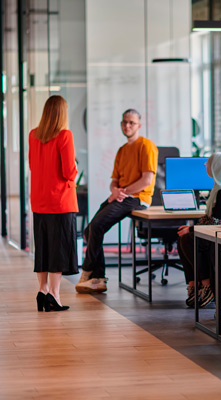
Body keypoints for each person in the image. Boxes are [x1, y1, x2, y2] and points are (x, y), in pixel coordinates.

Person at [75, 109, 158, 294]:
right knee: (90, 229)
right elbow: (114, 180)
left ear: (139, 125)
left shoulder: (146, 146)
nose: (127, 125)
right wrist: (115, 191)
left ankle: (89, 272)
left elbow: (147, 180)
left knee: (96, 227)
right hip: (123, 196)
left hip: (137, 198)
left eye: (131, 123)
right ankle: (99, 278)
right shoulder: (122, 150)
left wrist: (123, 192)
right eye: (124, 122)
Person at [28, 95, 78, 312]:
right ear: (62, 113)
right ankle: (55, 295)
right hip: (60, 202)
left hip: (39, 201)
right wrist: (75, 169)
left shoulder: (33, 135)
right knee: (57, 249)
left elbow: (32, 166)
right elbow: (69, 172)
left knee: (43, 248)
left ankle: (42, 290)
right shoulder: (65, 135)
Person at [177, 152, 221, 308]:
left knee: (189, 240)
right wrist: (190, 228)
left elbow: (217, 222)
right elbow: (211, 219)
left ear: (218, 167)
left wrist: (192, 229)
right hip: (213, 234)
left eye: (209, 162)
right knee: (183, 236)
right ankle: (194, 284)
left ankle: (206, 284)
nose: (205, 165)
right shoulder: (218, 188)